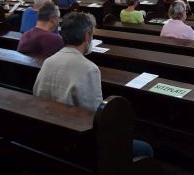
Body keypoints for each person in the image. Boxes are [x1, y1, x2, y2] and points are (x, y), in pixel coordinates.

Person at [33, 12, 153, 158]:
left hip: (50, 131)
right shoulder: (89, 69)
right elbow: (96, 116)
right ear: (87, 36)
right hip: (78, 141)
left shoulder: (49, 61)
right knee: (146, 149)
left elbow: (37, 93)